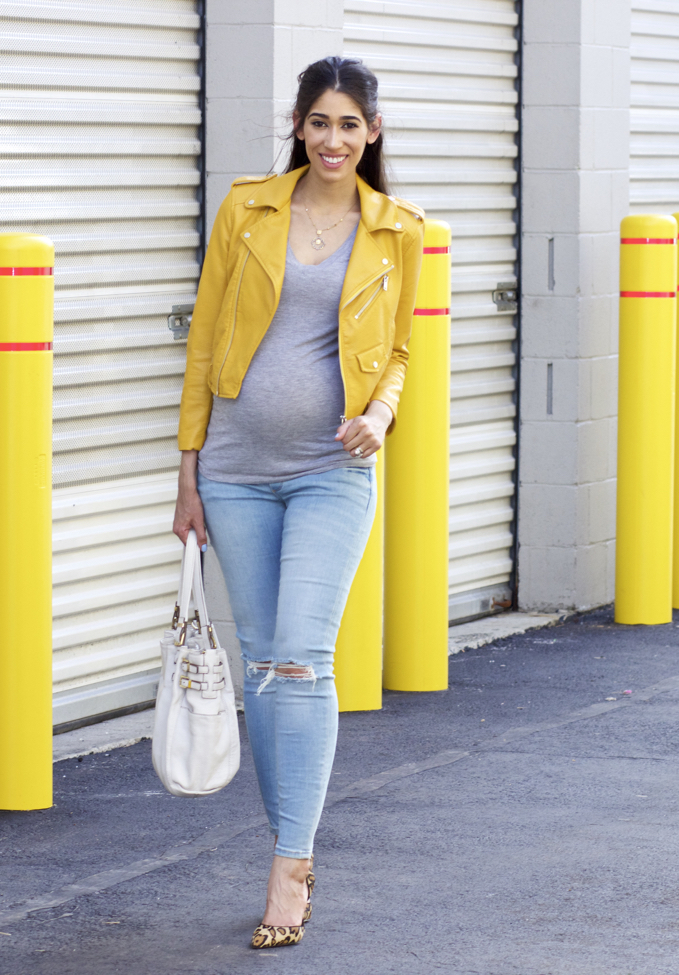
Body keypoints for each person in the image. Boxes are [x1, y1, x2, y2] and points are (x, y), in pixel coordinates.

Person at [173, 55, 424, 948]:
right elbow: (205, 337)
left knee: (300, 660)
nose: (332, 139)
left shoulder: (400, 231)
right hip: (237, 469)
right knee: (262, 667)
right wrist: (189, 474)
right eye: (318, 122)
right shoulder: (247, 207)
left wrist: (381, 415)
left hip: (330, 470)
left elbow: (398, 351)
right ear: (298, 125)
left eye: (349, 124)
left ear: (373, 133)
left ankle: (290, 865)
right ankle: (288, 845)